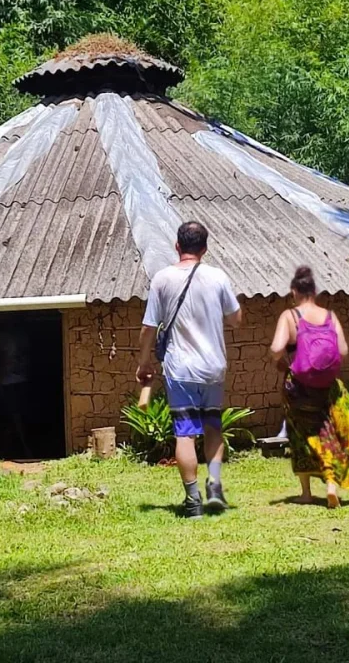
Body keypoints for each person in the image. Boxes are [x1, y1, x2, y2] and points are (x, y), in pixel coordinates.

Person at [137, 222, 242, 519]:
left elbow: (148, 328)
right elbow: (236, 319)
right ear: (205, 249)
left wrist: (144, 363)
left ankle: (193, 500)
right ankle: (215, 488)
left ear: (177, 246)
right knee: (213, 427)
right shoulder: (218, 277)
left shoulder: (162, 279)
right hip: (213, 368)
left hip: (180, 368)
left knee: (185, 434)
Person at [269, 266, 349, 508]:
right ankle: (330, 484)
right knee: (326, 434)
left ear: (294, 292)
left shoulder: (290, 316)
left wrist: (280, 362)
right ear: (314, 291)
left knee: (300, 436)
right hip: (327, 387)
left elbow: (277, 348)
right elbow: (343, 351)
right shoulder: (329, 316)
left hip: (298, 387)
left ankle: (306, 492)